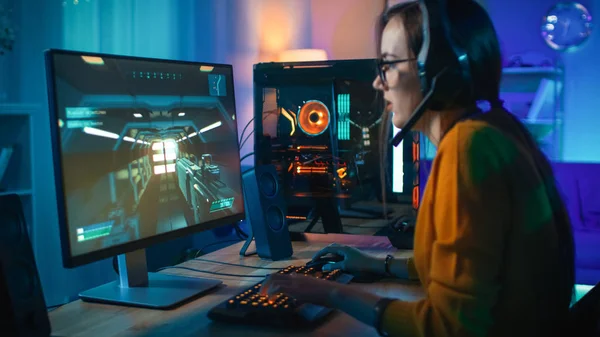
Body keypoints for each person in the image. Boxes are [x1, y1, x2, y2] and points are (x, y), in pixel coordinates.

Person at [261, 1, 576, 336]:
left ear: (438, 70)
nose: (378, 84)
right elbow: (464, 272)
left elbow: (450, 327)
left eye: (388, 65)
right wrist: (374, 263)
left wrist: (331, 293)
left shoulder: (468, 148)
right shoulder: (496, 129)